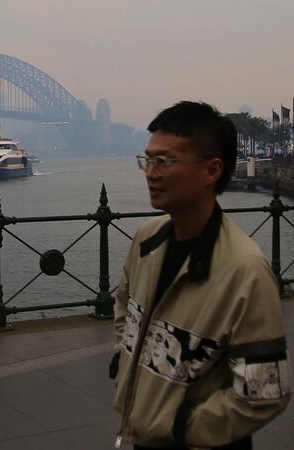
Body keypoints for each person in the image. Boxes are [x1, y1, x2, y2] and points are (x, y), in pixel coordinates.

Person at [112, 101, 290, 449]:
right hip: (139, 437)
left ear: (212, 170)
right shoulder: (146, 240)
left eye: (164, 161)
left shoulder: (244, 270)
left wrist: (182, 429)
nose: (151, 172)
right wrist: (123, 356)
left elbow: (265, 394)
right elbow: (123, 308)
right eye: (147, 160)